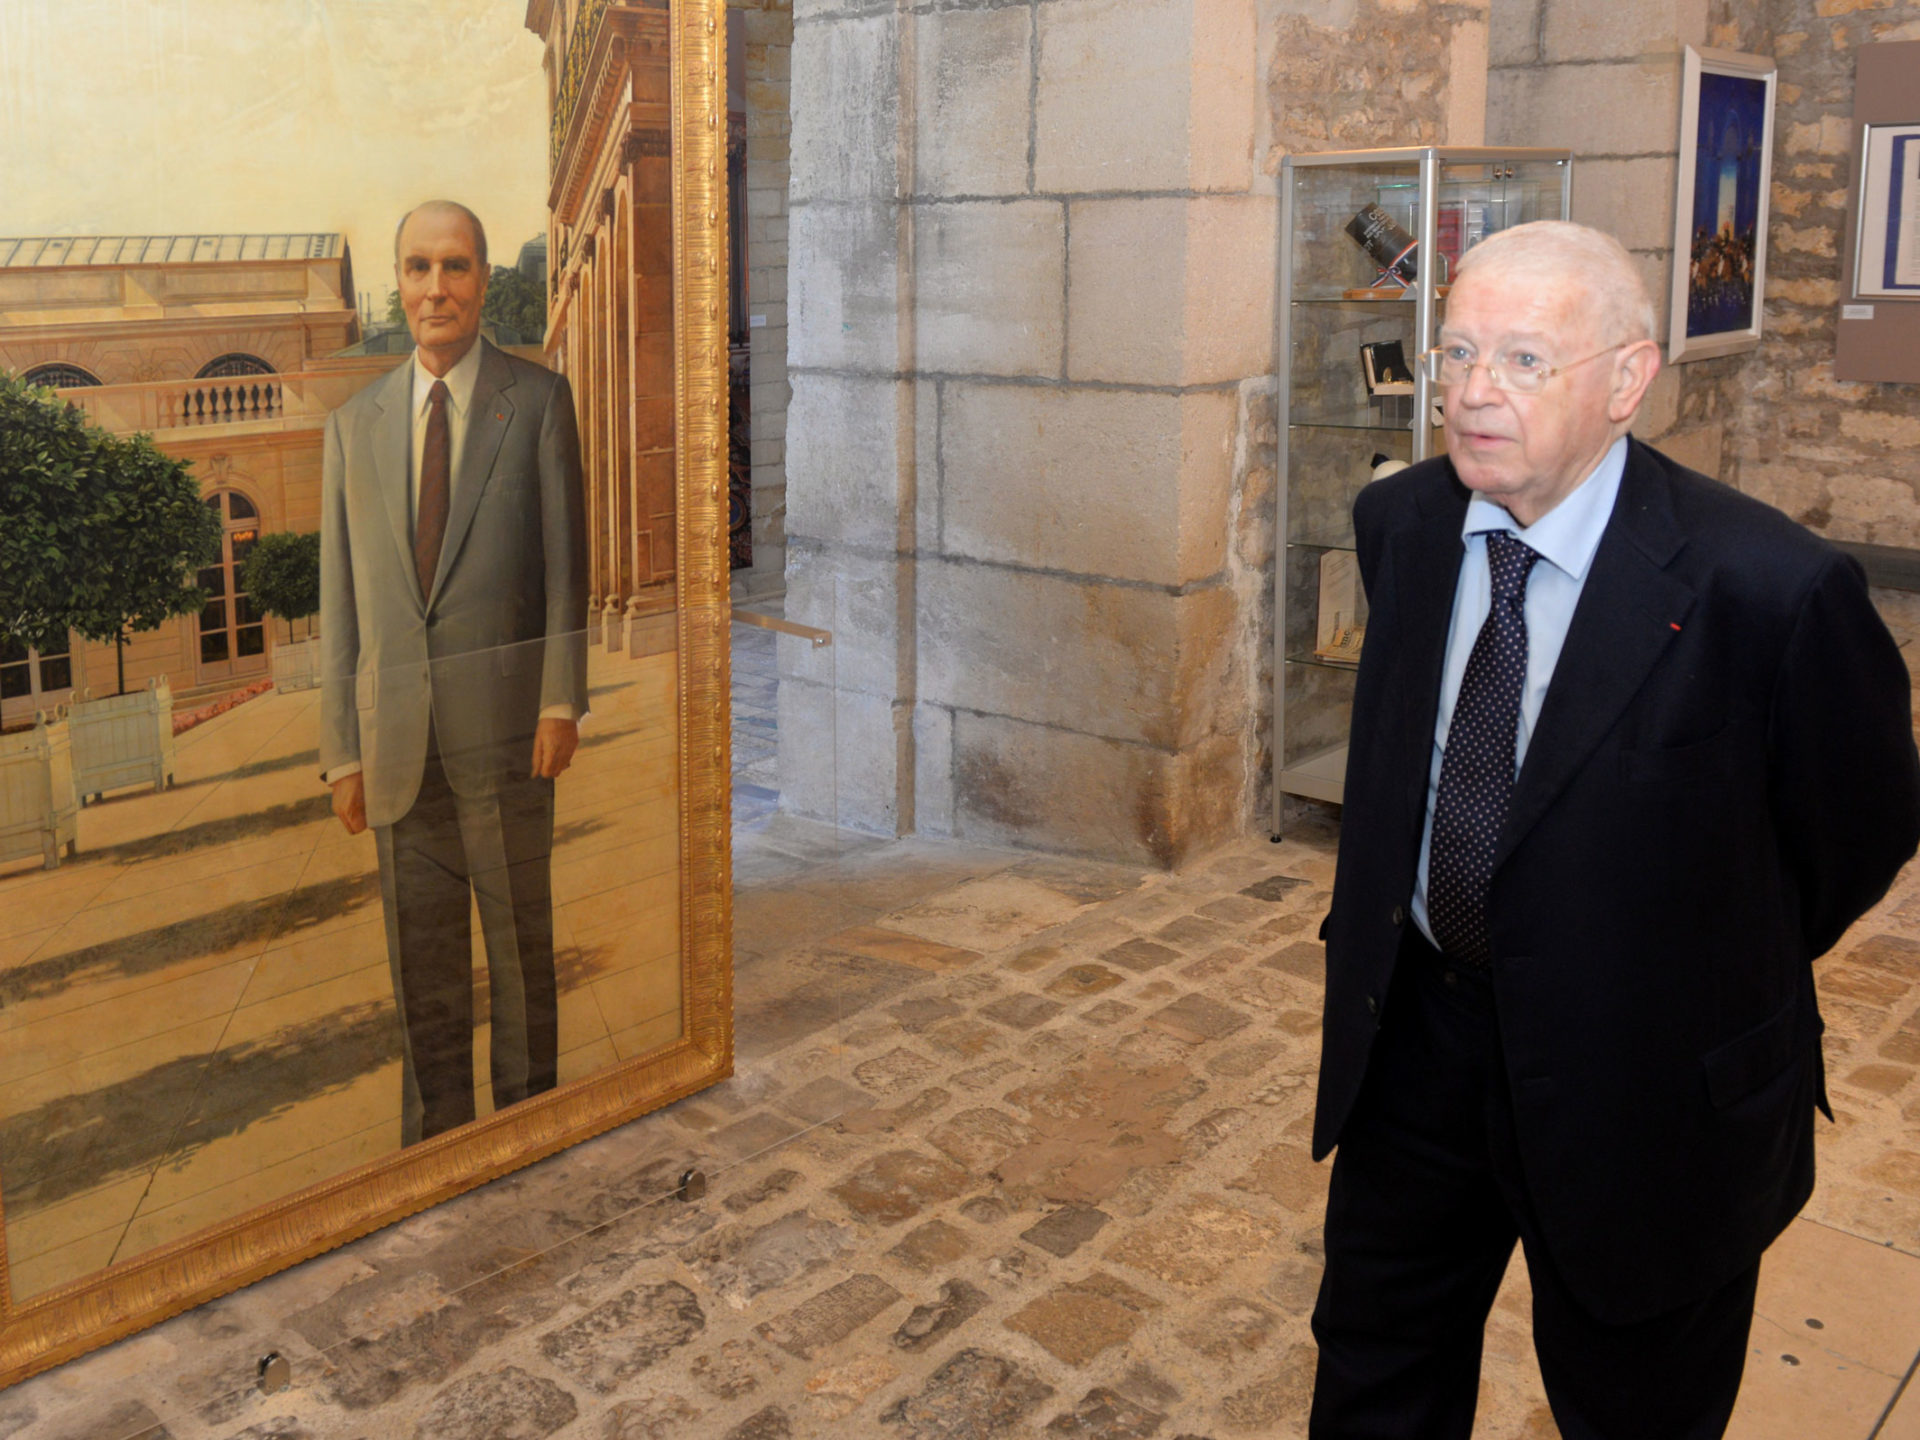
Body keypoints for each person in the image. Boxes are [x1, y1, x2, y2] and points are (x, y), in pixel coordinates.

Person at [1308, 220, 1920, 1439]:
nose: (1474, 391)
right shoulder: (1404, 525)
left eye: (1525, 360)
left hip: (1649, 1084)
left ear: (1629, 381)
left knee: (1637, 1408)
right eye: (1457, 352)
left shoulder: (1770, 587)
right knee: (1376, 1371)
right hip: (1419, 1041)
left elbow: (1853, 836)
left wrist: (1684, 967)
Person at [320, 200, 588, 1146]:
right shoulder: (352, 427)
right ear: (399, 284)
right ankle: (434, 1154)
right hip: (398, 754)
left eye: (456, 266)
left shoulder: (538, 402)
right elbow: (342, 609)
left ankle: (529, 1138)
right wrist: (342, 753)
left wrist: (560, 700)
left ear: (482, 281)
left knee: (520, 959)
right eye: (418, 268)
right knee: (422, 975)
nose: (436, 288)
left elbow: (566, 573)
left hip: (509, 743)